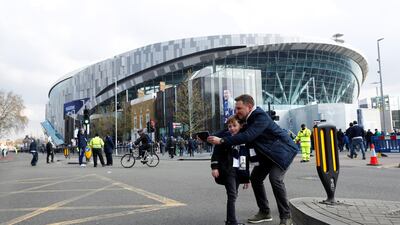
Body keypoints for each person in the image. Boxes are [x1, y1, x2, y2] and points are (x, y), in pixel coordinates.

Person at [208, 94, 297, 225]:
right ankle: (265, 212)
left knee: (275, 179)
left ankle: (286, 216)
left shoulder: (260, 117)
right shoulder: (246, 118)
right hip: (267, 155)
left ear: (249, 107)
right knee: (255, 178)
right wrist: (208, 137)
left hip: (282, 152)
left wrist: (221, 141)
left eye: (239, 108)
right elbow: (227, 131)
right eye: (235, 108)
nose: (236, 111)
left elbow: (247, 136)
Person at [211, 115, 250, 225]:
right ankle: (232, 222)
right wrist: (214, 168)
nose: (232, 128)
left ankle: (230, 220)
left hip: (239, 170)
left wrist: (247, 178)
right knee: (232, 194)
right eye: (229, 126)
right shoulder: (223, 138)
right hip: (228, 170)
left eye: (234, 126)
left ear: (240, 126)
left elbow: (245, 159)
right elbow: (216, 154)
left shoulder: (243, 138)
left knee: (234, 194)